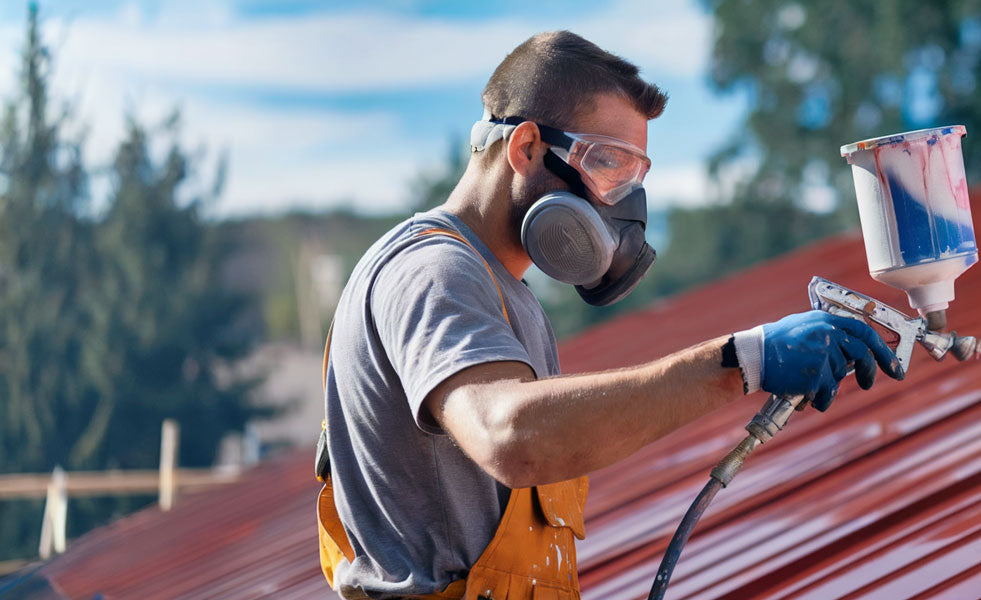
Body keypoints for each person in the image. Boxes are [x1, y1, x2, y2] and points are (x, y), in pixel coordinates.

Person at [314, 31, 900, 600]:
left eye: (633, 175)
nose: (619, 202)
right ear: (525, 149)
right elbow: (511, 437)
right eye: (607, 163)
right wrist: (743, 360)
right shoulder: (436, 272)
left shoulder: (504, 291)